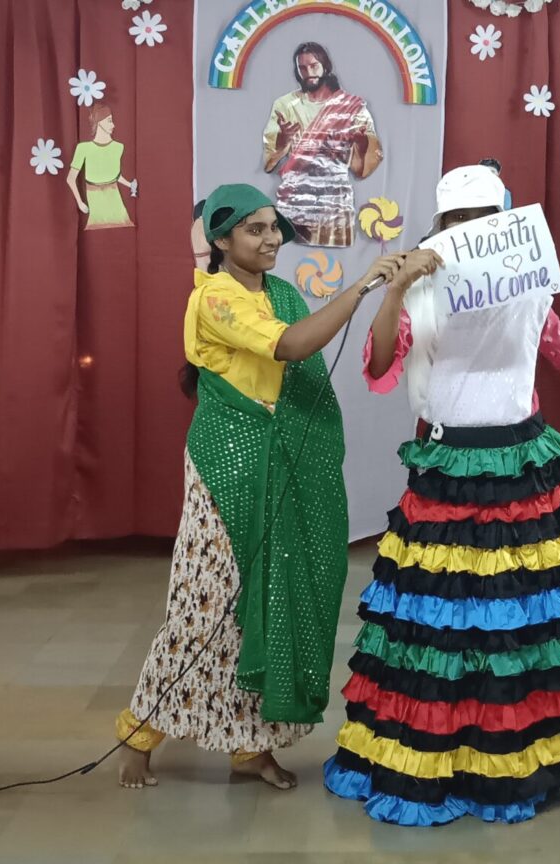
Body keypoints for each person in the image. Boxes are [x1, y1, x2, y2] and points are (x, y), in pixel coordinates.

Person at [321, 163, 560, 825]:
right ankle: (436, 755)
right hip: (447, 468)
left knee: (513, 620)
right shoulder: (421, 291)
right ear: (442, 227)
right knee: (439, 623)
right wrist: (399, 288)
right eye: (458, 222)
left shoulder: (527, 290)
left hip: (521, 465)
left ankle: (508, 759)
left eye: (482, 221)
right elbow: (381, 362)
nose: (470, 232)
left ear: (503, 227)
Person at [112, 184, 432, 790]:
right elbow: (291, 345)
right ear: (221, 239)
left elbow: (300, 359)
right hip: (230, 464)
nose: (271, 239)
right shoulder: (214, 298)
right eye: (254, 229)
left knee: (271, 603)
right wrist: (363, 284)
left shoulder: (280, 292)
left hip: (281, 462)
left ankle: (250, 745)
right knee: (208, 605)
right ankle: (139, 731)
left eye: (274, 227)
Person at [261, 42, 382, 248]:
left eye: (314, 66)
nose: (308, 73)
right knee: (289, 257)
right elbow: (269, 164)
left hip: (334, 206)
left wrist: (361, 145)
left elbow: (362, 169)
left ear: (325, 66)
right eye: (302, 68)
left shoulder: (352, 107)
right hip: (294, 205)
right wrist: (283, 143)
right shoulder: (285, 105)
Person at [68, 104, 137, 230]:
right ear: (99, 122)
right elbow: (70, 178)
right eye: (109, 121)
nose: (113, 125)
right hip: (95, 198)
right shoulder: (83, 148)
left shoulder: (118, 147)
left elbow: (115, 175)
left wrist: (130, 185)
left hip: (114, 198)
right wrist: (80, 202)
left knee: (122, 228)